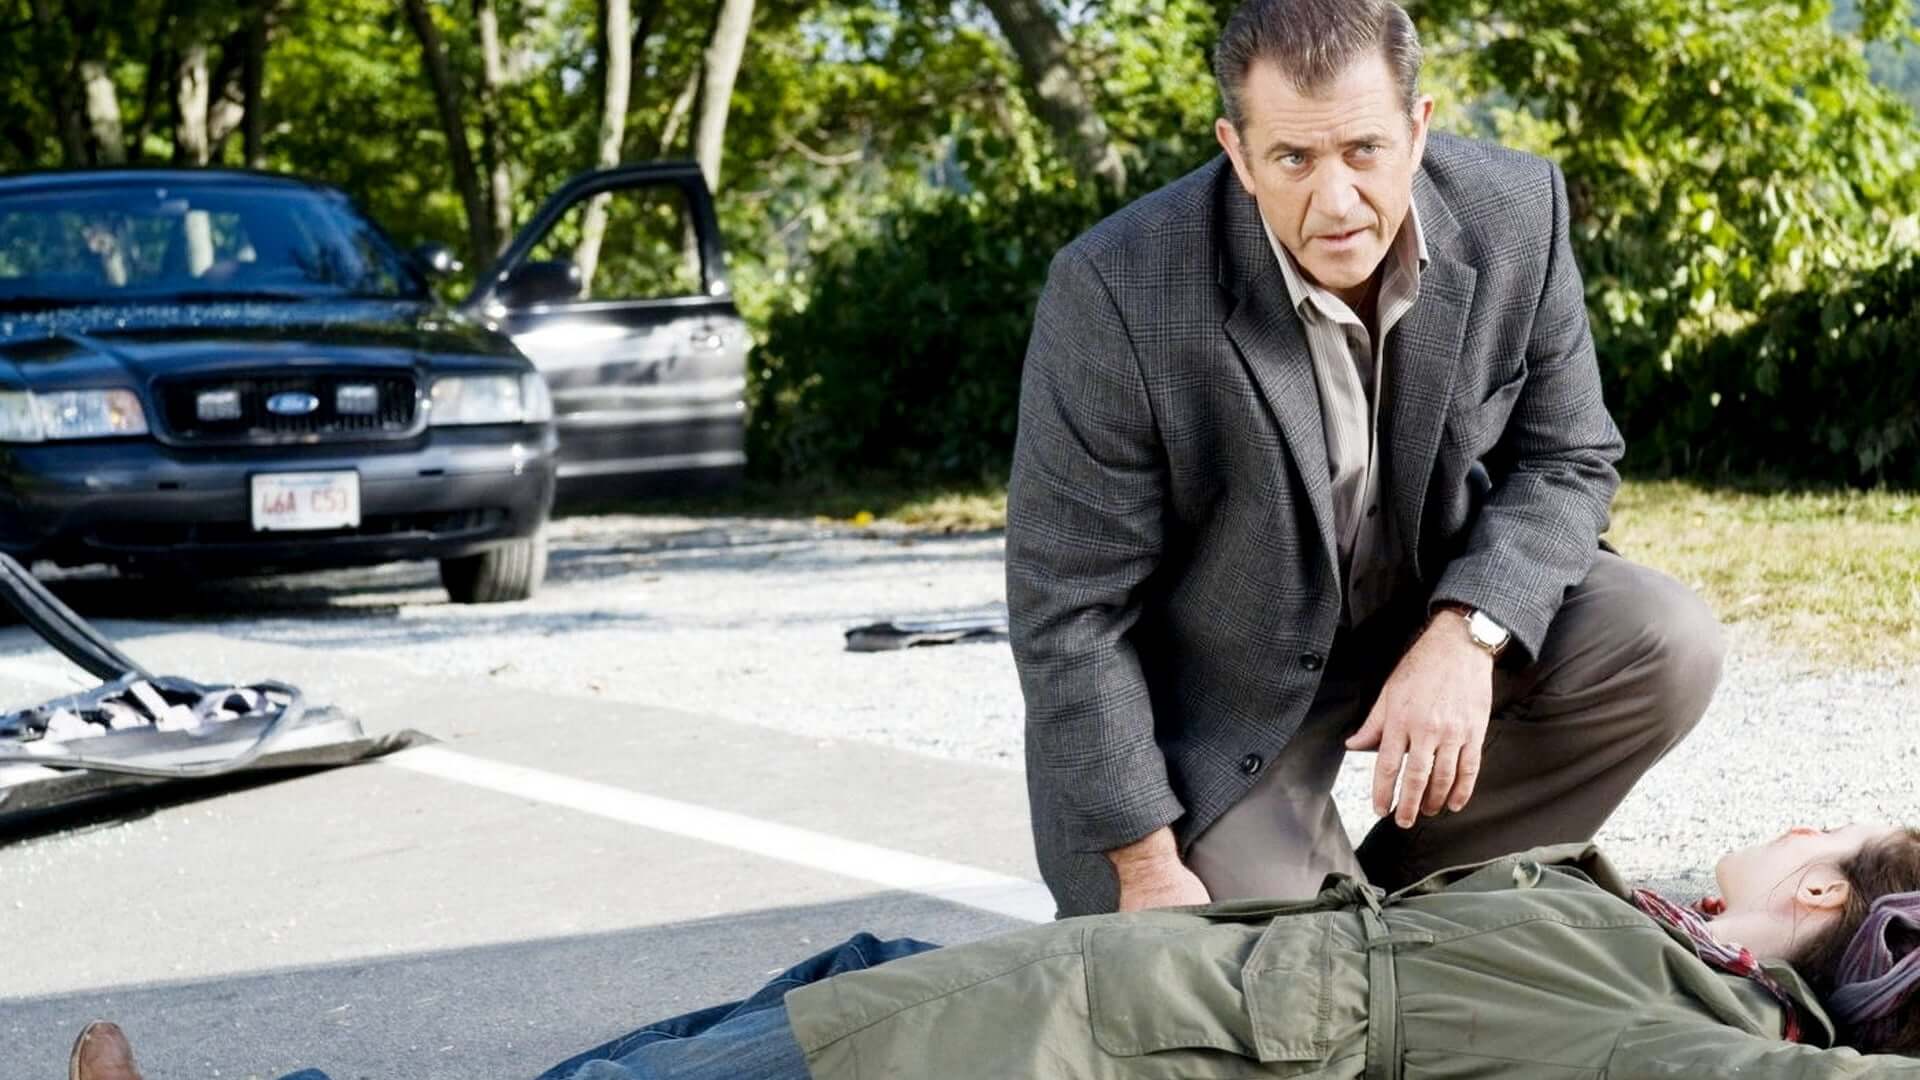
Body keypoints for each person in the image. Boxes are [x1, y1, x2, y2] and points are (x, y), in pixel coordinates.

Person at [1005, 0, 1727, 919]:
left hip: (1425, 609)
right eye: (1293, 160)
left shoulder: (1517, 212)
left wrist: (1470, 632)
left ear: (1417, 130)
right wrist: (1146, 866)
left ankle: (1419, 902)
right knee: (1256, 972)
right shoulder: (1116, 288)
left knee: (1664, 638)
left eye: (1363, 151)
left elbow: (1569, 458)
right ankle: (1331, 923)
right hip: (1223, 692)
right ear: (1237, 153)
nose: (1337, 201)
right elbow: (1071, 610)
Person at [67, 824, 1920, 1078]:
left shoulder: (1691, 1029)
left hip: (1054, 1050)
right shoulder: (1638, 934)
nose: (1770, 833)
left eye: (1809, 834)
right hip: (1071, 986)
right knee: (791, 994)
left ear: (1845, 905)